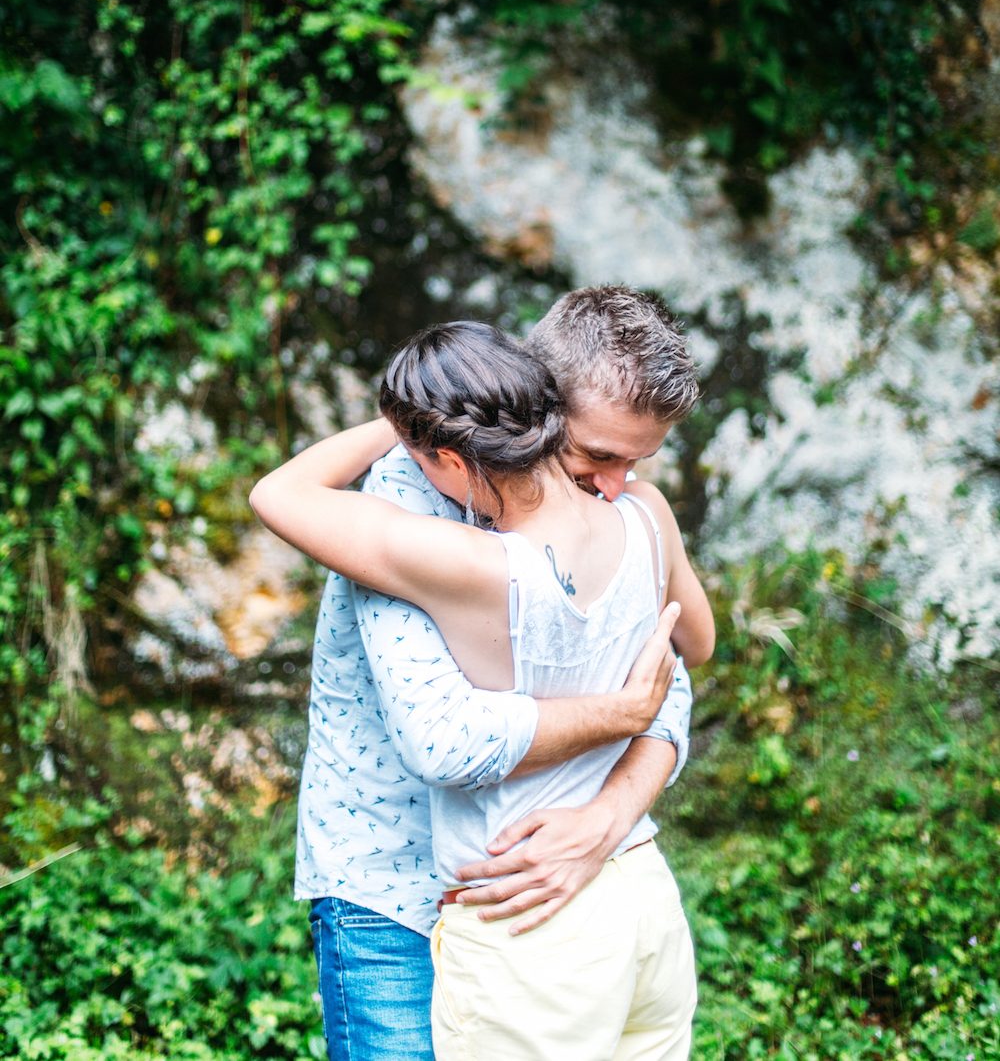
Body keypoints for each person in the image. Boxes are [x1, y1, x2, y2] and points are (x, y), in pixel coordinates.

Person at [250, 315, 715, 1059]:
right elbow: (449, 741)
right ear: (541, 402)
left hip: (545, 892)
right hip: (392, 886)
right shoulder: (404, 509)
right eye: (599, 454)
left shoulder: (609, 504)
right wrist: (405, 424)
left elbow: (670, 683)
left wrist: (610, 814)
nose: (617, 484)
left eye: (636, 463)